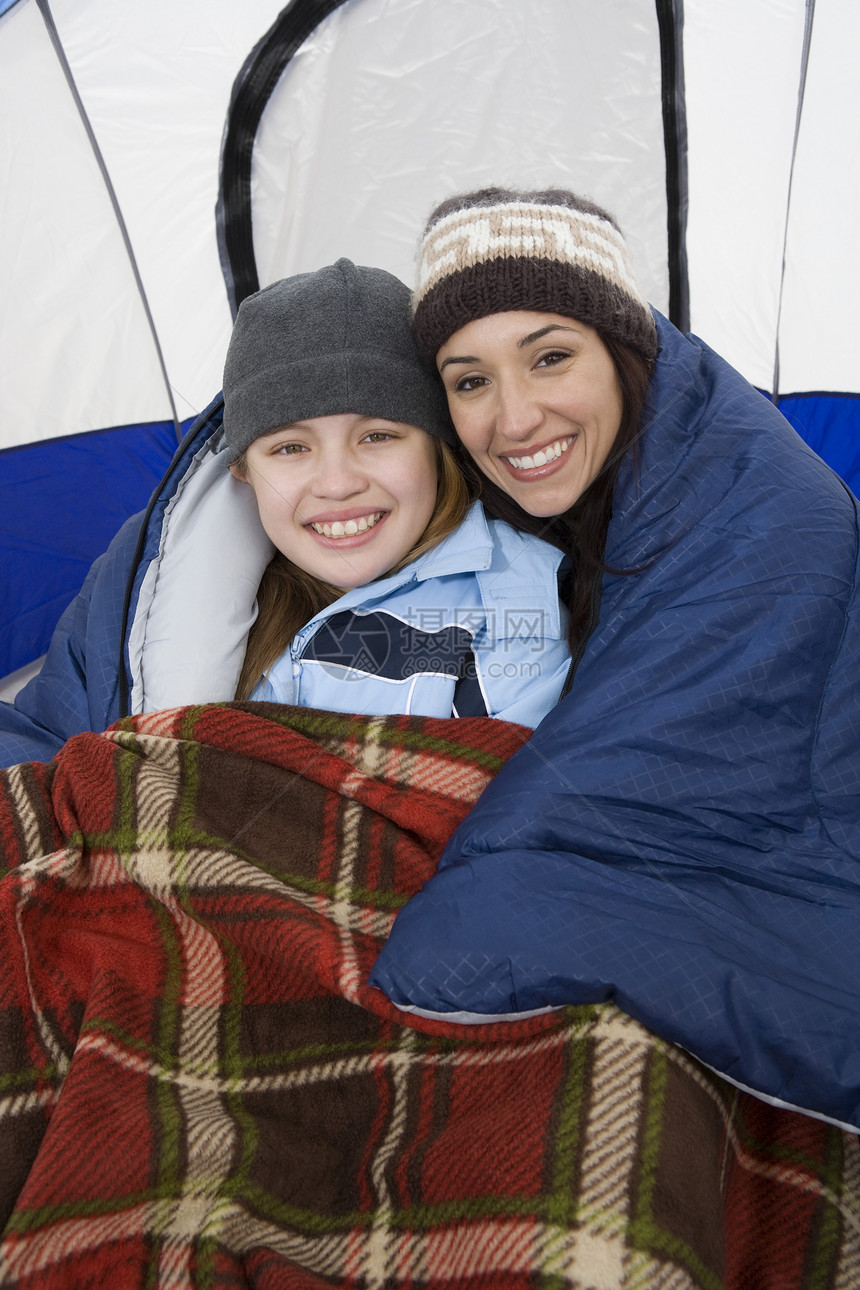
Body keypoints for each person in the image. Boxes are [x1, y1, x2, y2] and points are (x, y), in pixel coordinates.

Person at [369, 188, 860, 1133]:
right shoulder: (501, 508)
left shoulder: (758, 494)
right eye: (470, 381)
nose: (513, 420)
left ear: (627, 354)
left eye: (551, 357)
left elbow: (654, 755)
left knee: (495, 919)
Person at [0, 258, 570, 766]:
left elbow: (502, 811)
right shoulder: (145, 590)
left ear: (437, 447)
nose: (339, 483)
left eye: (378, 436)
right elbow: (41, 735)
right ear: (243, 469)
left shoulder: (515, 599)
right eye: (290, 449)